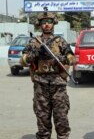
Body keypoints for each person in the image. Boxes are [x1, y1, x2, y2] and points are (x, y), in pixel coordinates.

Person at [20, 10, 75, 139]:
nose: (47, 25)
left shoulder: (60, 41)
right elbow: (22, 61)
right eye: (44, 22)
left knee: (61, 118)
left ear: (53, 24)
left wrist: (60, 59)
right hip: (40, 85)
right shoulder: (34, 42)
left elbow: (72, 58)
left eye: (49, 22)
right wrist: (36, 53)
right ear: (40, 25)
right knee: (42, 120)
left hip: (58, 85)